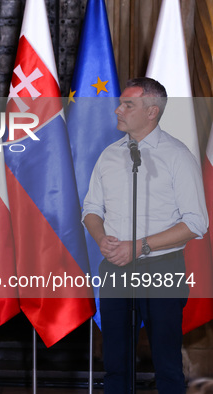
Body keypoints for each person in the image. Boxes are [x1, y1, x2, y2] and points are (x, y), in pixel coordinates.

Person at [83, 78, 208, 393]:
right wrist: (101, 238)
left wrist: (139, 246)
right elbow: (90, 209)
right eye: (121, 103)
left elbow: (196, 222)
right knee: (114, 363)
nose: (118, 109)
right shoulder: (108, 155)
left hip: (161, 268)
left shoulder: (177, 156)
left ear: (152, 111)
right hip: (114, 269)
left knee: (166, 364)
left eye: (128, 105)